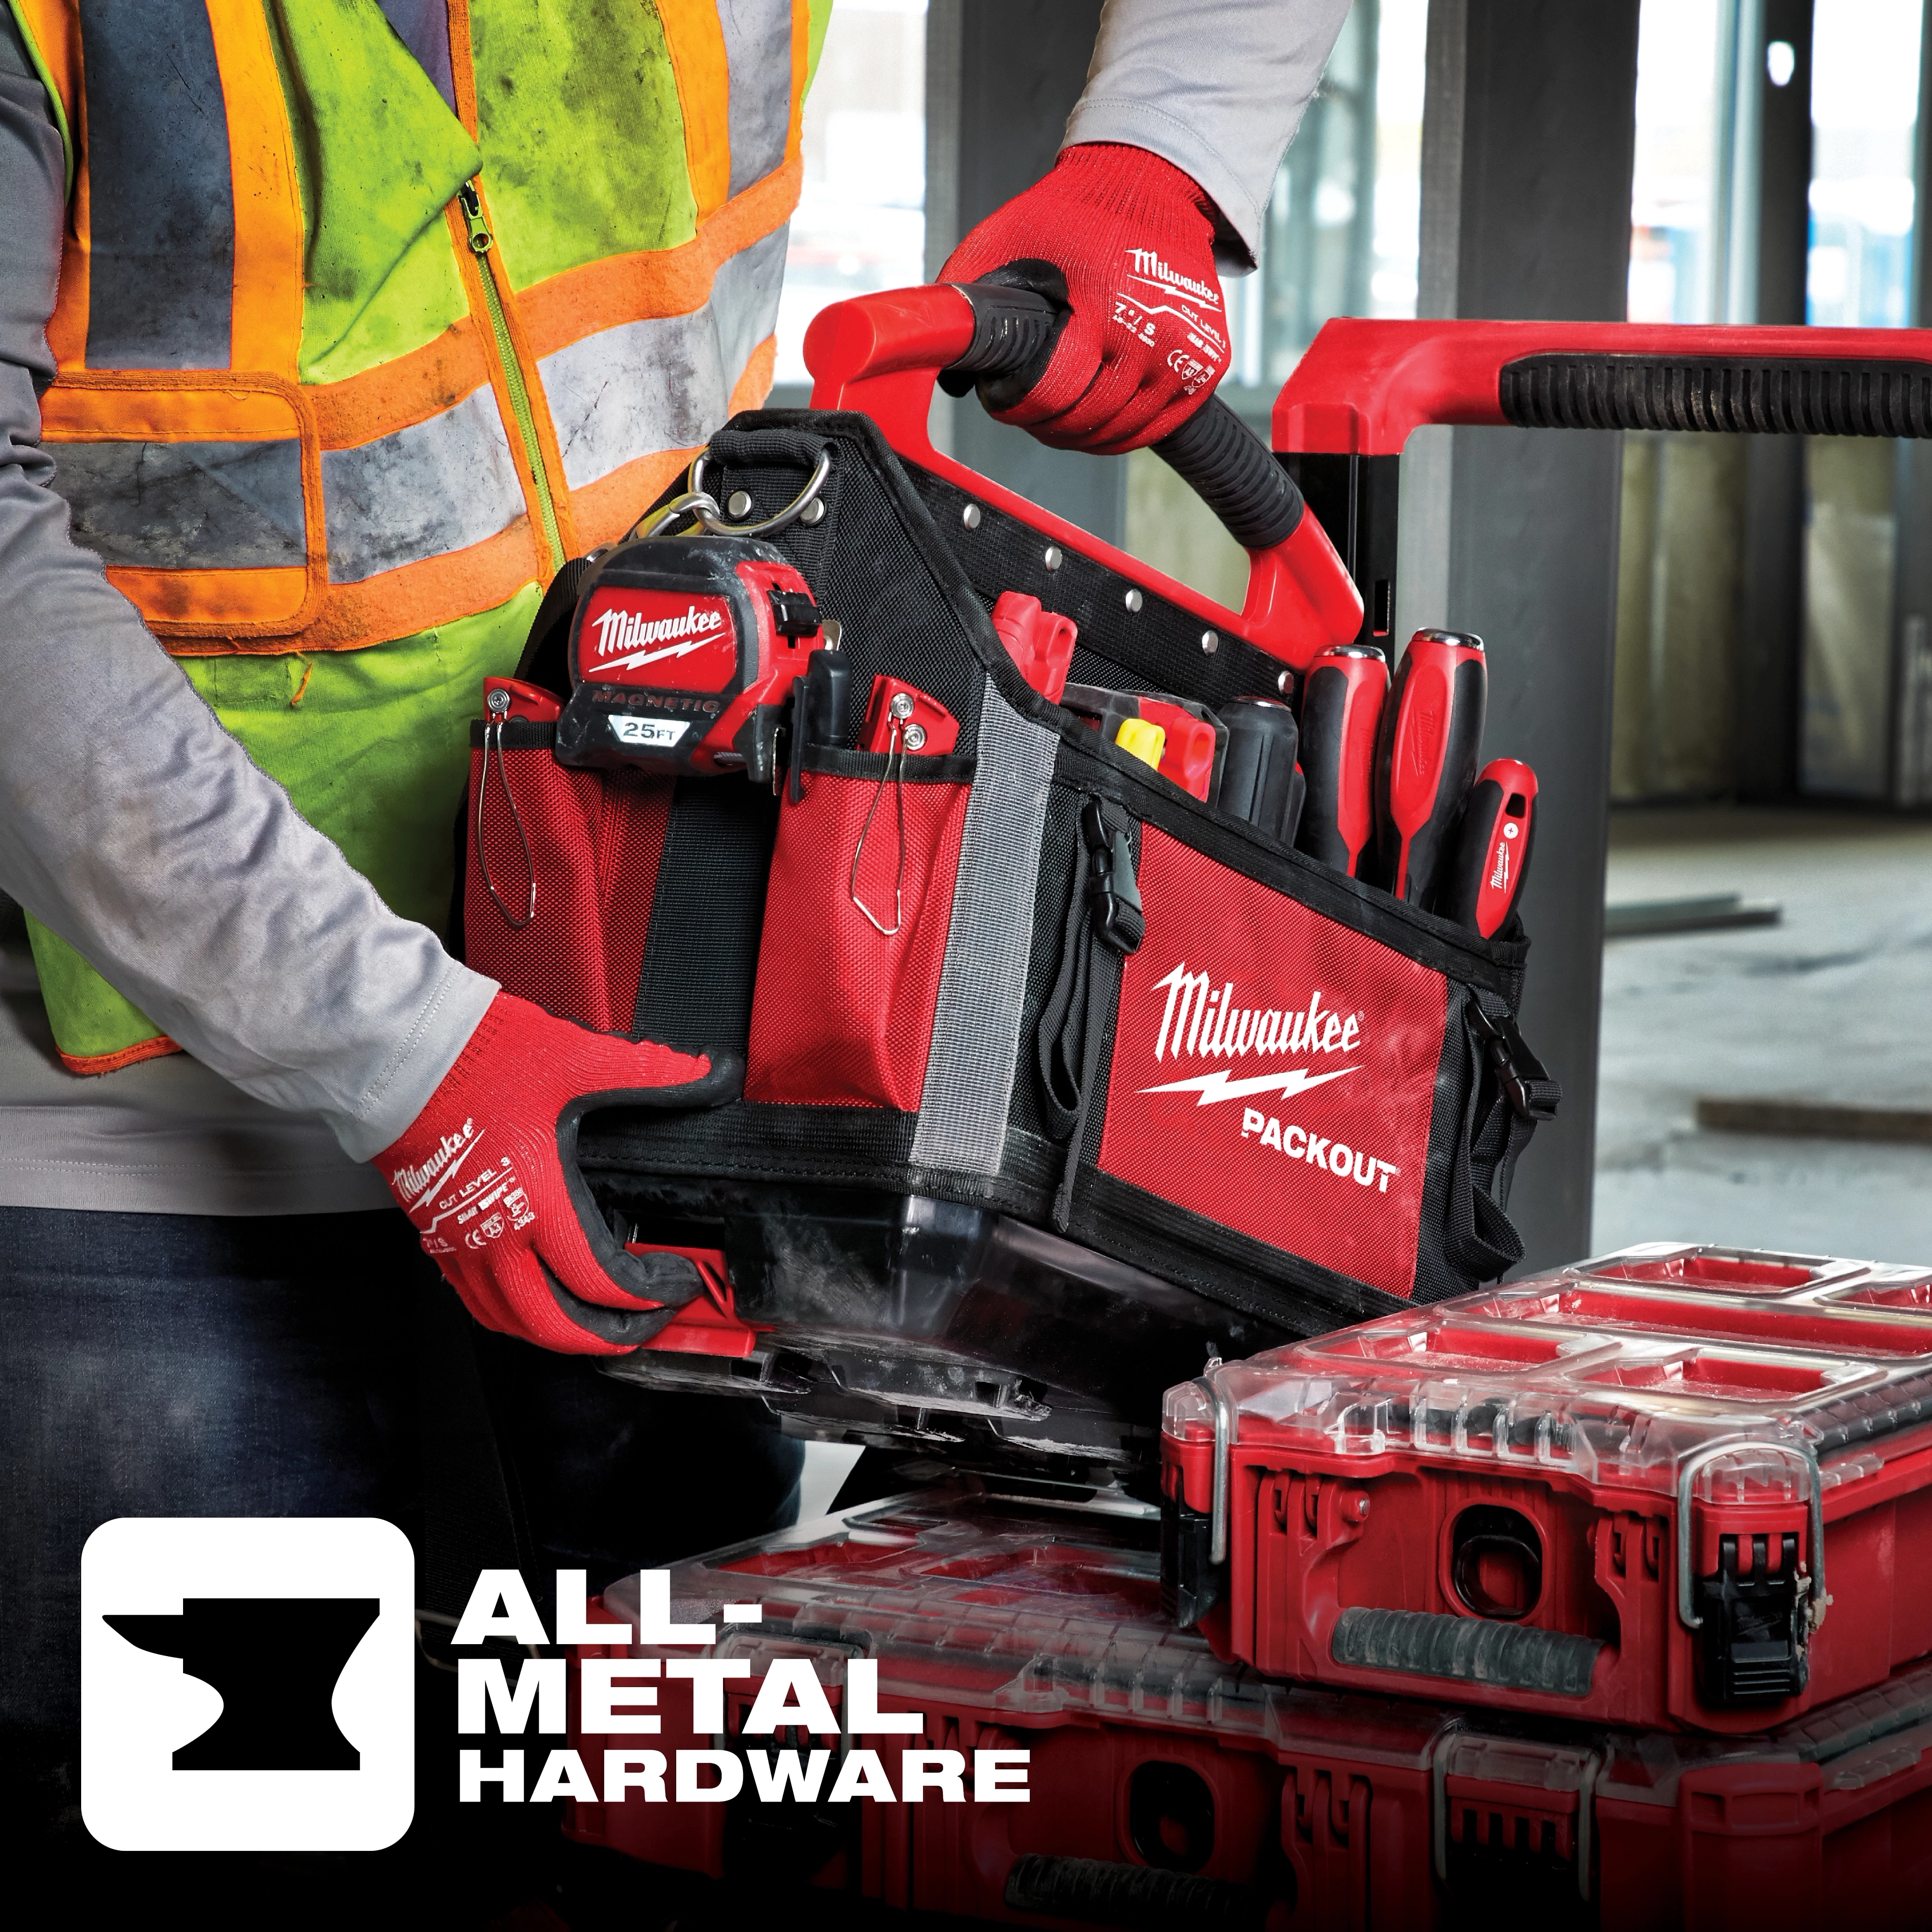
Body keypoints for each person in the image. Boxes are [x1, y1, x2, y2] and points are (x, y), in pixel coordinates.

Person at [0, 0, 1350, 1864]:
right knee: (235, 1841)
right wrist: (406, 1048)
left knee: (671, 1852)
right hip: (156, 1151)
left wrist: (1163, 159)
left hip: (667, 1101)